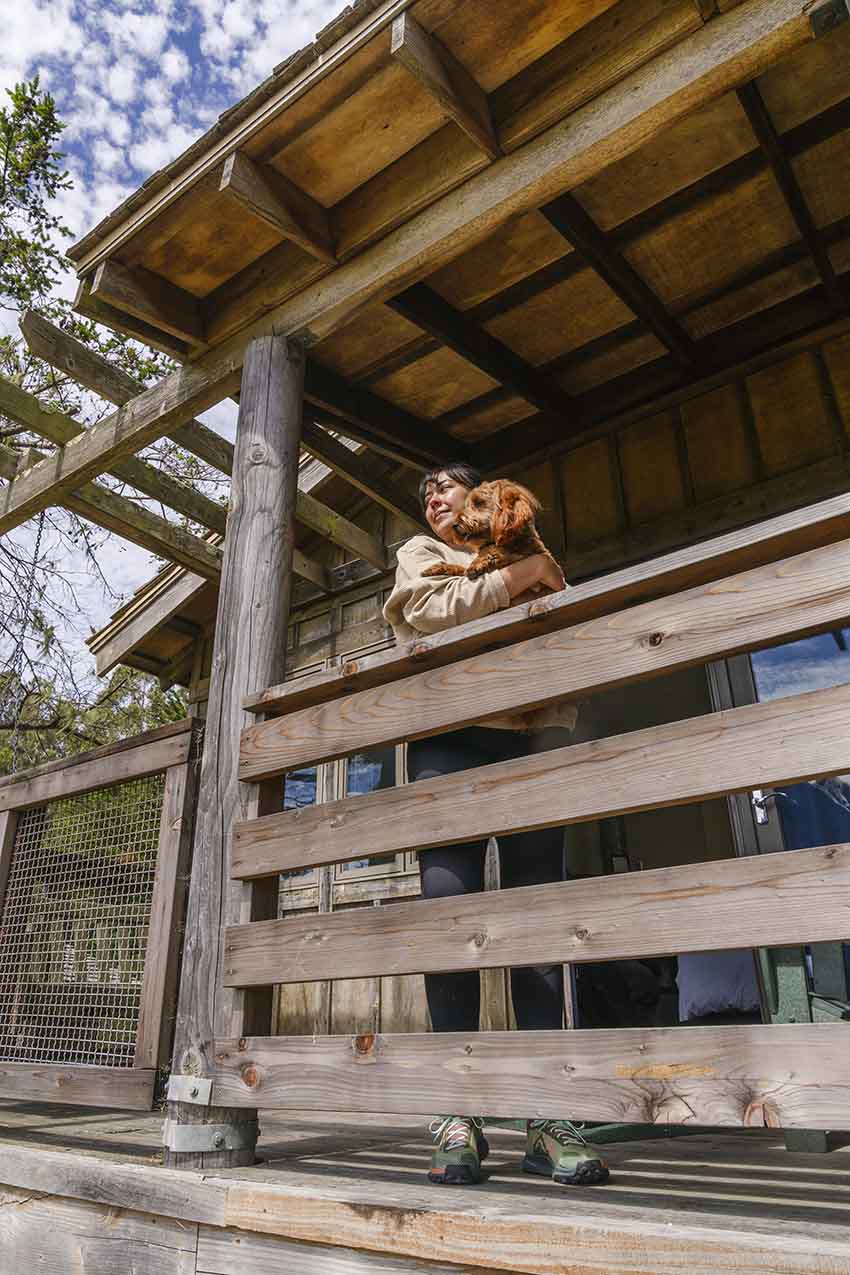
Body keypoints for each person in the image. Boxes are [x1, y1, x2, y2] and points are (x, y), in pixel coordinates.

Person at [383, 462, 609, 1188]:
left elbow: (565, 611)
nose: (434, 498)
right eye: (426, 495)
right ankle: (459, 1114)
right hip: (449, 738)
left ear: (481, 500)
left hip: (534, 732)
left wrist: (525, 579)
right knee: (450, 915)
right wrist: (519, 580)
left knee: (537, 918)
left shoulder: (520, 541)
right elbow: (423, 610)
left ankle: (548, 1115)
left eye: (447, 487)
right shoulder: (421, 555)